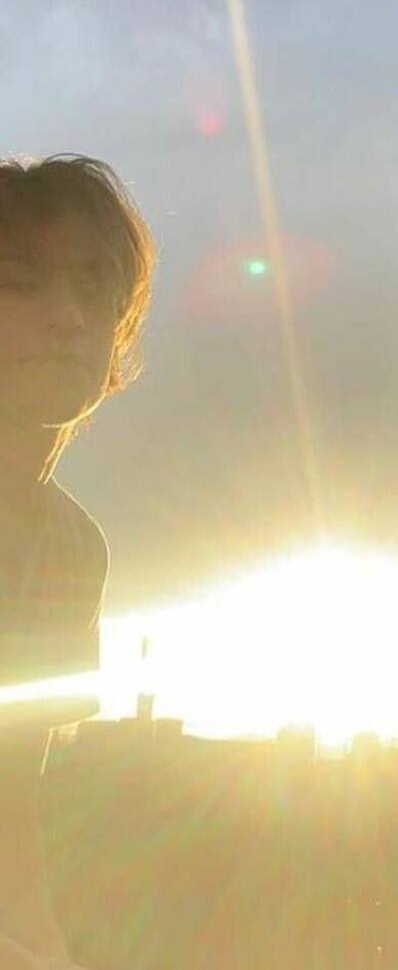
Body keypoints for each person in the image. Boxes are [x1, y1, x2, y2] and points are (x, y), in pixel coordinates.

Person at [0, 155, 156, 968]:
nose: (66, 316)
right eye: (19, 283)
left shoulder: (71, 547)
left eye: (93, 289)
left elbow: (11, 803)